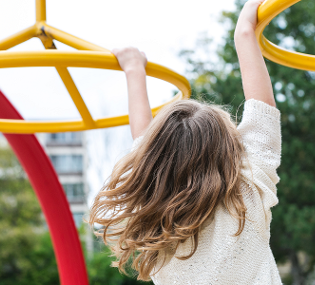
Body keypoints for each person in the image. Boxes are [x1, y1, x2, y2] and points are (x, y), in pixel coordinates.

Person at [89, 0, 282, 283]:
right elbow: (261, 107)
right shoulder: (247, 191)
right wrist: (243, 30)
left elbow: (143, 140)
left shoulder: (152, 213)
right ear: (228, 149)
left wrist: (133, 69)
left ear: (152, 161)